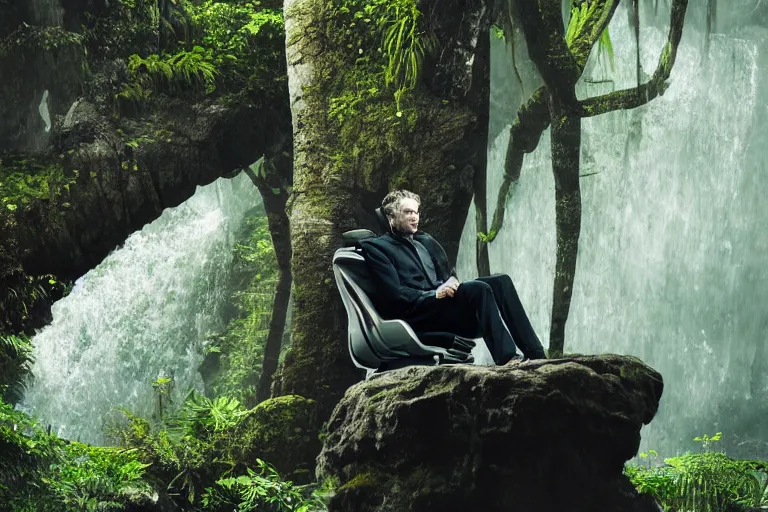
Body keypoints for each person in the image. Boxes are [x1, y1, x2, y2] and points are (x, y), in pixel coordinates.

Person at [359, 190, 546, 364]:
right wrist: (433, 295)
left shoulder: (425, 240)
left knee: (500, 281)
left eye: (416, 212)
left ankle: (536, 355)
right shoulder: (377, 248)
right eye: (408, 212)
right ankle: (507, 359)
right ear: (391, 216)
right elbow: (394, 295)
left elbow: (449, 275)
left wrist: (450, 282)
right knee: (478, 288)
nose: (414, 217)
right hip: (418, 315)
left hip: (444, 306)